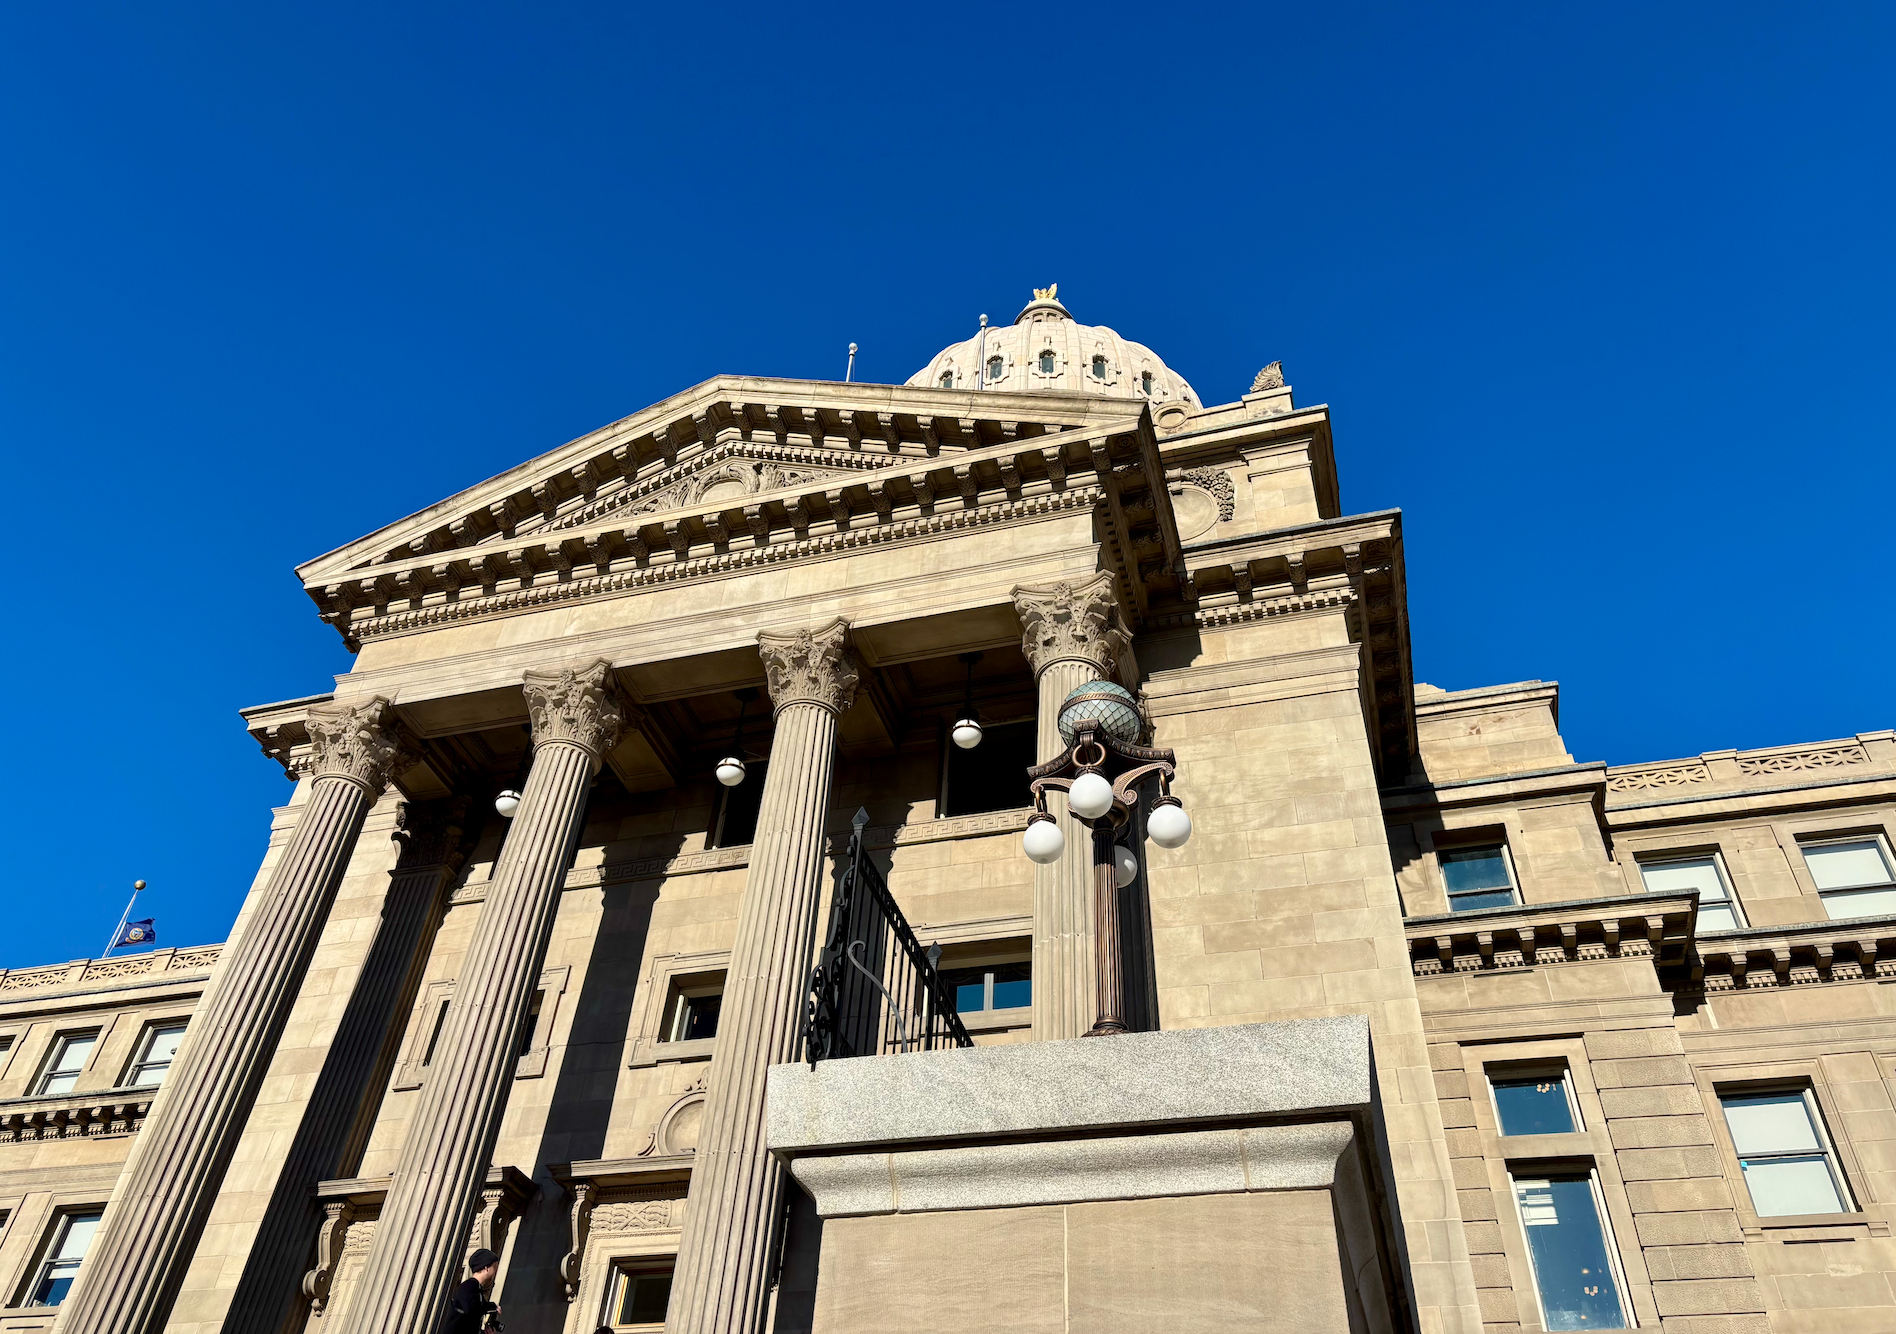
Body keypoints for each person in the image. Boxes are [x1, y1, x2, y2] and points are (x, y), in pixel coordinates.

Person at [442, 1249, 502, 1334]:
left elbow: (469, 1324)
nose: (496, 1272)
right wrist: (491, 1306)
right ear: (486, 1268)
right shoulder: (469, 1286)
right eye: (495, 1267)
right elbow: (471, 1309)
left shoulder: (477, 1290)